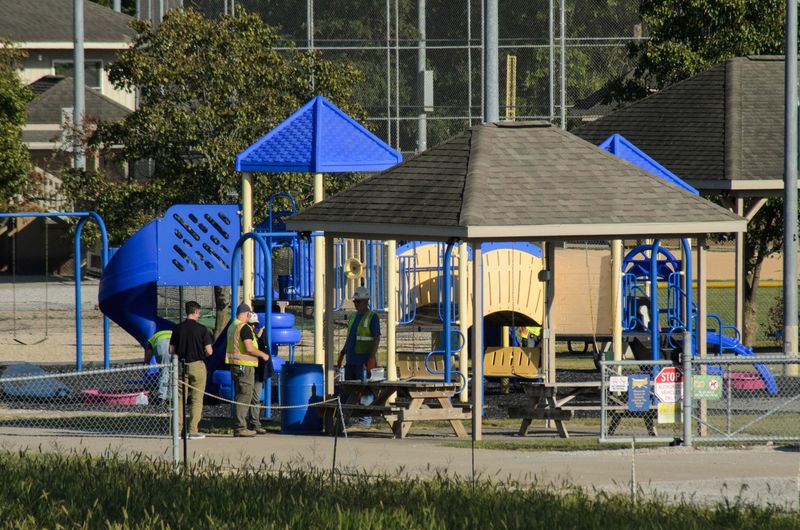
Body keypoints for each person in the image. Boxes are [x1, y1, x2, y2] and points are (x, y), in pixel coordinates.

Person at [336, 286, 380, 426]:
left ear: (366, 301)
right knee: (348, 390)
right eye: (355, 301)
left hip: (364, 359)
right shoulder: (353, 317)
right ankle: (345, 420)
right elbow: (351, 337)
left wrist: (371, 358)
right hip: (352, 359)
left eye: (358, 301)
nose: (356, 304)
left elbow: (376, 338)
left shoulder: (372, 317)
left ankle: (365, 421)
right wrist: (342, 353)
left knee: (365, 391)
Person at [169, 301, 213, 440]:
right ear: (196, 312)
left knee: (180, 398)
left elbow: (171, 350)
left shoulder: (177, 328)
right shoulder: (202, 329)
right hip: (197, 364)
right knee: (196, 398)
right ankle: (193, 429)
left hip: (181, 365)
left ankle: (178, 429)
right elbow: (209, 351)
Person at [226, 302, 270, 437]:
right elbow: (249, 348)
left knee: (240, 395)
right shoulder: (243, 328)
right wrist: (263, 355)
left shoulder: (232, 326)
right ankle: (240, 427)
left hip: (236, 366)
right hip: (245, 366)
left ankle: (239, 425)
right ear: (246, 314)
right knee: (245, 396)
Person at [144, 327, 174, 402]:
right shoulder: (171, 332)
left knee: (164, 371)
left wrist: (146, 363)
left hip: (161, 346)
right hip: (174, 344)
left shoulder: (152, 338)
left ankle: (162, 396)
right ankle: (173, 395)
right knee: (174, 372)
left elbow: (148, 352)